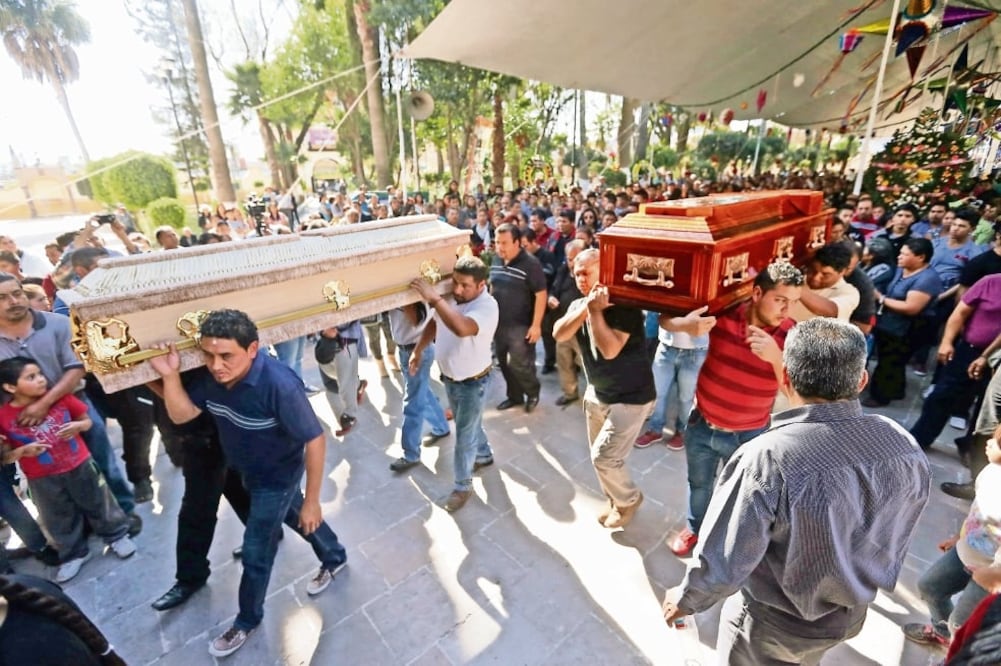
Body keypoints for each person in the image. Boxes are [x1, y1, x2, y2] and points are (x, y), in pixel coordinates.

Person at [663, 318, 931, 665]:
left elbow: (727, 555)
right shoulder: (902, 443)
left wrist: (688, 598)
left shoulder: (768, 457)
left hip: (775, 623)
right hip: (849, 616)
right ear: (861, 380)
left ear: (785, 378)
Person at [149, 309, 348, 658]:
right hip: (249, 471)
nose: (216, 365)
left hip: (278, 475)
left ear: (253, 349)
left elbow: (315, 440)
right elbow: (183, 414)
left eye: (226, 355)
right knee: (295, 516)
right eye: (208, 355)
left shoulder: (279, 385)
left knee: (257, 549)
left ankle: (246, 620)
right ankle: (335, 555)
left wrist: (315, 499)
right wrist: (169, 377)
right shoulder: (213, 378)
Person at [667, 262, 803, 557]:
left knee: (741, 495)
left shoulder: (792, 336)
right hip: (702, 424)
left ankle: (727, 542)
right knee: (699, 484)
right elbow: (666, 317)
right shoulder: (724, 312)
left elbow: (797, 395)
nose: (787, 310)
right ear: (757, 293)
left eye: (793, 302)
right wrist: (686, 326)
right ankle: (695, 528)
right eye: (780, 299)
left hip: (750, 436)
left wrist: (776, 358)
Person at [0, 274, 139, 535]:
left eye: (16, 293)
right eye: (2, 297)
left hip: (76, 405)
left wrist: (46, 404)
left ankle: (125, 513)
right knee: (52, 477)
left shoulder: (59, 324)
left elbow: (77, 367)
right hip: (26, 421)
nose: (13, 301)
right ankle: (82, 527)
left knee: (102, 462)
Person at [0, 357, 137, 583]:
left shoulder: (60, 397)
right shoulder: (4, 416)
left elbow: (87, 422)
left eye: (40, 374)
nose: (41, 380)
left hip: (79, 464)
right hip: (41, 477)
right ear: (10, 387)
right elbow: (5, 456)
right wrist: (22, 452)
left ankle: (116, 535)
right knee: (56, 516)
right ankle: (73, 554)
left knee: (98, 501)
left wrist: (77, 426)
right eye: (31, 377)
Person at [553, 248, 656, 527]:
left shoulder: (624, 305)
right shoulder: (580, 304)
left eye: (587, 272)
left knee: (605, 459)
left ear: (605, 270)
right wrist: (587, 307)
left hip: (630, 397)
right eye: (576, 274)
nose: (581, 279)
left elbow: (610, 350)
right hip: (597, 393)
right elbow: (559, 333)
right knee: (599, 458)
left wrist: (595, 312)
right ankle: (614, 502)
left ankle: (628, 500)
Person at [149, 368, 251, 612]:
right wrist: (173, 394)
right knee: (226, 483)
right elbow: (142, 373)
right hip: (193, 419)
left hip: (218, 407)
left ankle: (191, 575)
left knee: (199, 503)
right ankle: (263, 530)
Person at [409, 256, 498, 513]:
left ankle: (462, 486)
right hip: (451, 377)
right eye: (455, 283)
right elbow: (437, 323)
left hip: (473, 383)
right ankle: (484, 456)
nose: (457, 290)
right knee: (466, 423)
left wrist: (434, 298)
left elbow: (460, 328)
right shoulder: (452, 297)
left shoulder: (487, 307)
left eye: (465, 286)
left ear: (481, 285)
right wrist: (418, 350)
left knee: (464, 437)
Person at [901, 422, 1001, 650]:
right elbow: (979, 511)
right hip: (967, 551)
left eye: (996, 443)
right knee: (930, 588)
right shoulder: (992, 471)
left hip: (993, 574)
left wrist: (994, 575)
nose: (988, 443)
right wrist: (960, 537)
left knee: (963, 624)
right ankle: (942, 632)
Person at [908, 274, 1001, 451]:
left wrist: (987, 356)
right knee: (942, 394)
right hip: (969, 349)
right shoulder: (990, 282)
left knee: (987, 409)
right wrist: (947, 341)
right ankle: (920, 438)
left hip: (997, 358)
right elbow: (960, 312)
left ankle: (973, 450)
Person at [865, 238, 943, 407]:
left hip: (909, 328)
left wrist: (881, 298)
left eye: (904, 254)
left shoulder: (927, 279)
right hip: (890, 324)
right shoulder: (902, 269)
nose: (899, 257)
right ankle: (896, 390)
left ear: (920, 257)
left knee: (890, 362)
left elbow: (911, 307)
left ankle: (880, 396)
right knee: (891, 360)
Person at [385, 303, 451, 472]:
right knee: (421, 393)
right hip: (407, 350)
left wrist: (404, 300)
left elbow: (418, 321)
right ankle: (441, 427)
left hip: (417, 350)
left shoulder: (412, 295)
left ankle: (411, 454)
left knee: (412, 403)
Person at [490, 223, 547, 413]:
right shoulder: (495, 260)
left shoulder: (531, 264)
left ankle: (532, 393)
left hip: (521, 325)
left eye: (504, 243)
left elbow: (541, 294)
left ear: (517, 242)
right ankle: (514, 396)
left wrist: (536, 325)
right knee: (503, 363)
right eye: (497, 242)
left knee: (520, 364)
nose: (500, 247)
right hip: (498, 324)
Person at [549, 240, 586, 405]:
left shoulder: (589, 274)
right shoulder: (563, 271)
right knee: (564, 361)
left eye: (575, 258)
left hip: (585, 330)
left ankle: (600, 396)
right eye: (569, 259)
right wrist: (551, 298)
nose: (572, 263)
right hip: (565, 326)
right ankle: (570, 393)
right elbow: (554, 289)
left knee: (588, 365)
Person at [788, 242, 859, 322]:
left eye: (825, 275)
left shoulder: (849, 292)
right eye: (813, 270)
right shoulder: (800, 276)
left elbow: (831, 310)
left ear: (842, 272)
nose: (816, 278)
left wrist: (798, 287)